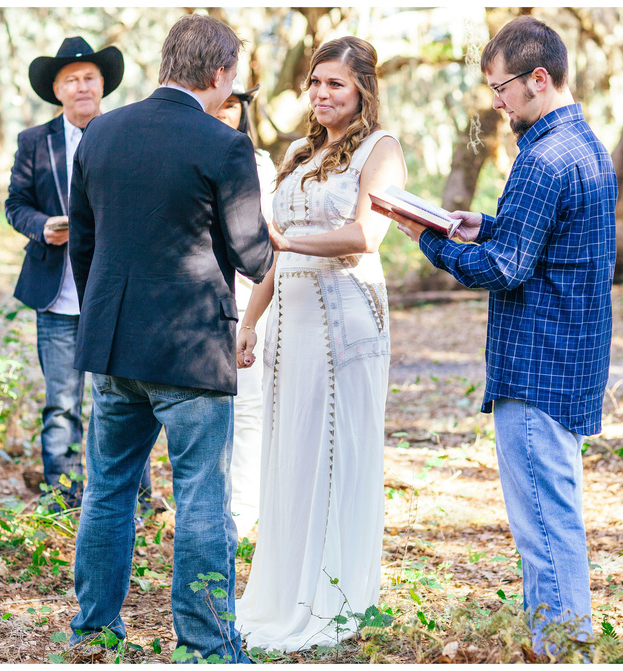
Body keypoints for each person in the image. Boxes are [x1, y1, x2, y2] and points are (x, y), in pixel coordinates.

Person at [381, 16, 617, 648]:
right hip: (570, 356)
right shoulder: (585, 145)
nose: (496, 102)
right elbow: (543, 241)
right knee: (552, 514)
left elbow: (507, 269)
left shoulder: (541, 157)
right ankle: (556, 646)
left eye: (502, 87)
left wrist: (429, 239)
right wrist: (481, 223)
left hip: (536, 360)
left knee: (544, 522)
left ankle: (566, 650)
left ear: (539, 79)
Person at [66, 15, 273, 661]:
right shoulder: (224, 144)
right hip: (191, 354)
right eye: (231, 78)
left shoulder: (101, 132)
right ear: (219, 74)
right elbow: (252, 254)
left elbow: (83, 243)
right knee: (203, 499)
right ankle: (207, 644)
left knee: (107, 489)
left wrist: (105, 312)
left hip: (114, 343)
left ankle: (94, 631)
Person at [234, 36, 407, 652]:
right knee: (290, 453)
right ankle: (283, 591)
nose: (321, 94)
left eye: (335, 83)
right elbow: (275, 259)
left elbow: (365, 235)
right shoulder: (301, 152)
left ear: (362, 87)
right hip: (289, 324)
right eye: (315, 83)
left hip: (346, 321)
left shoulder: (380, 150)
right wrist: (250, 321)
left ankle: (335, 596)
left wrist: (288, 241)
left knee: (336, 453)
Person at [4, 36, 125, 509]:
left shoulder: (123, 133)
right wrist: (41, 227)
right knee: (61, 403)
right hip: (57, 294)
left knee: (118, 401)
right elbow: (15, 205)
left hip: (113, 293)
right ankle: (61, 496)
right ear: (57, 89)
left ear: (102, 85)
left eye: (89, 78)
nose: (81, 87)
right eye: (70, 80)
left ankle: (124, 492)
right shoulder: (34, 142)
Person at [212, 83, 277, 539]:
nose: (226, 113)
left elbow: (269, 233)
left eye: (235, 107)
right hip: (201, 296)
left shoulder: (259, 165)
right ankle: (213, 506)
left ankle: (245, 508)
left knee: (250, 403)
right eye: (221, 104)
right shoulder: (188, 150)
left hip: (250, 295)